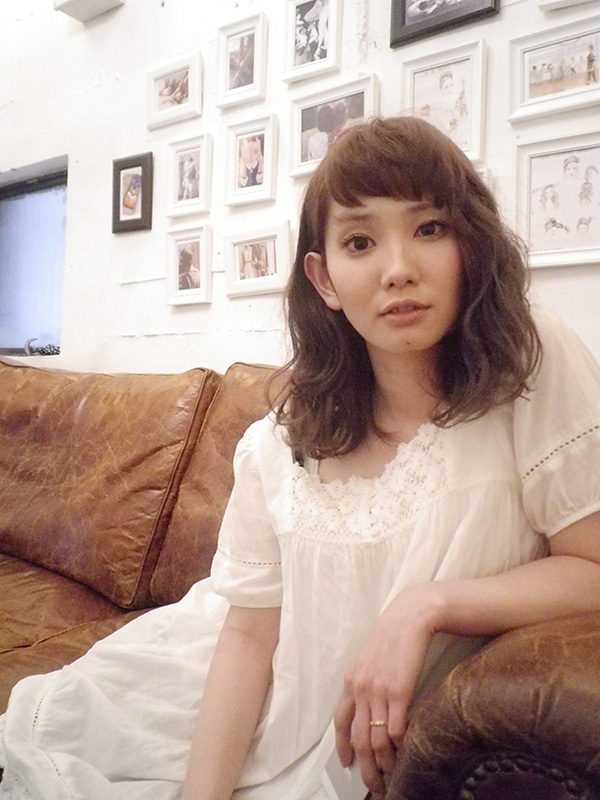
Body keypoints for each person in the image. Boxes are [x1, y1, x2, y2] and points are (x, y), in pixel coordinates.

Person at [1, 117, 600, 800]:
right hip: (224, 697)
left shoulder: (529, 364)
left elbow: (591, 567)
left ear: (472, 242)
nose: (398, 269)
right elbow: (247, 639)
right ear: (325, 279)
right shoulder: (279, 441)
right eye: (360, 241)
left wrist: (425, 606)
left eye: (430, 228)